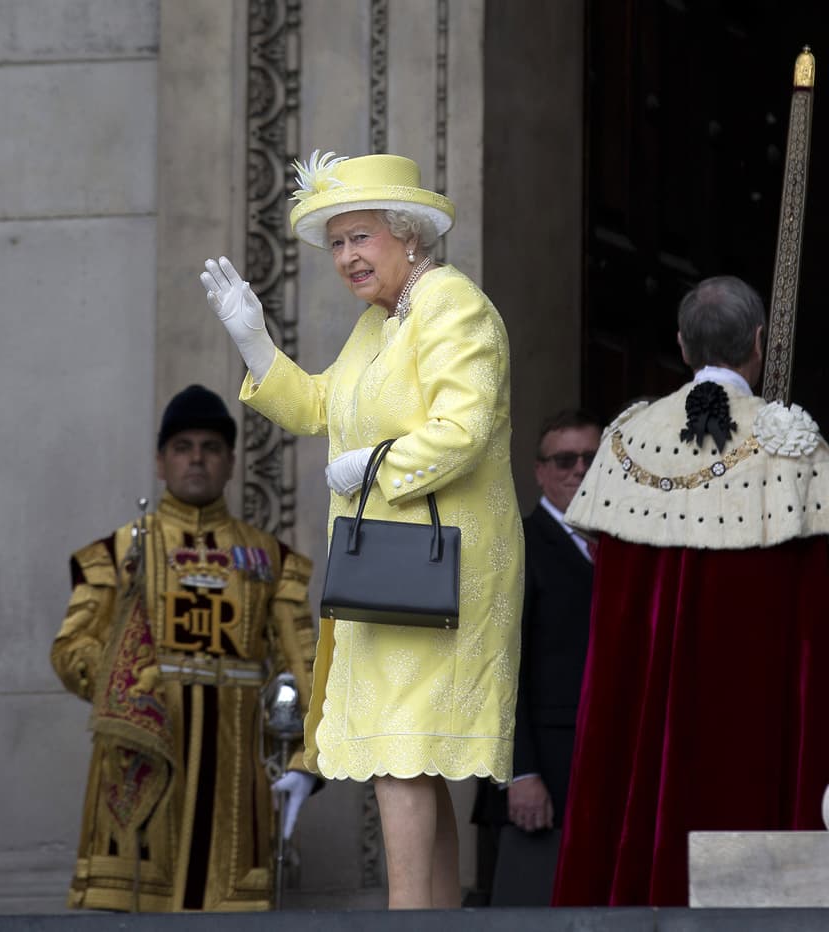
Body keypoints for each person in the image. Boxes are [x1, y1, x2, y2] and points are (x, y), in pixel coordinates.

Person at [201, 151, 523, 909]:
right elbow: (320, 407)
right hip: (389, 569)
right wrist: (256, 346)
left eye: (361, 237)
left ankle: (407, 920)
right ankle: (434, 918)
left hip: (441, 569)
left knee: (398, 752)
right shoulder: (379, 324)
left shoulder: (450, 304)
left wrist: (371, 467)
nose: (345, 256)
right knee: (406, 751)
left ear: (408, 236)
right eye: (336, 242)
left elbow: (465, 426)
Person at [553, 275, 829, 906]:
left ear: (681, 345)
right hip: (752, 731)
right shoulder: (796, 446)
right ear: (759, 342)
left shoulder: (626, 440)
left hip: (641, 727)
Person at [51, 385, 318, 912]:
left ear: (232, 463)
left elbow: (303, 665)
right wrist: (130, 687)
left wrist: (307, 760)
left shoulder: (273, 559)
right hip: (142, 761)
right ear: (160, 460)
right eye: (183, 446)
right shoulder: (118, 551)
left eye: (211, 447)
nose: (197, 457)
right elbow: (71, 647)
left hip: (239, 769)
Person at [479, 410, 602, 906]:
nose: (578, 470)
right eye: (564, 460)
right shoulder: (517, 545)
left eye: (591, 459)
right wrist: (521, 771)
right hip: (541, 780)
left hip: (601, 773)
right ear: (539, 471)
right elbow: (499, 665)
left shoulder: (624, 547)